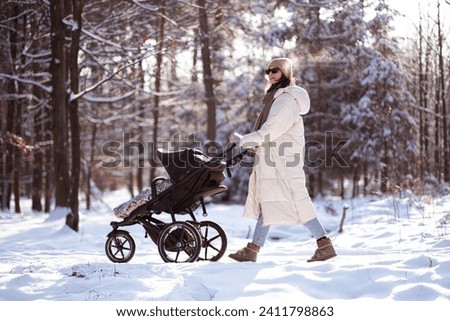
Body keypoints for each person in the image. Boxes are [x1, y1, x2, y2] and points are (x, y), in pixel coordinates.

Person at [229, 57, 337, 263]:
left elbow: (271, 130)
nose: (270, 74)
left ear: (285, 73)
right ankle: (253, 249)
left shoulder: (287, 100)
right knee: (268, 203)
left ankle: (324, 244)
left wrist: (244, 140)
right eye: (268, 70)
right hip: (275, 159)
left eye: (275, 70)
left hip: (283, 162)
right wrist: (250, 143)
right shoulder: (276, 98)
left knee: (298, 201)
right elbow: (271, 132)